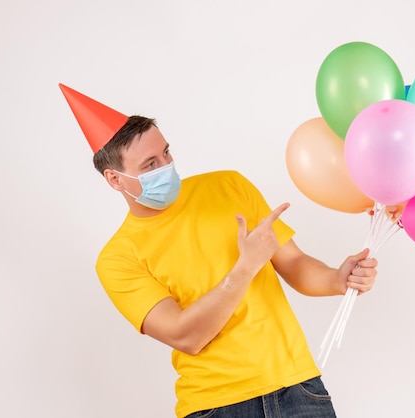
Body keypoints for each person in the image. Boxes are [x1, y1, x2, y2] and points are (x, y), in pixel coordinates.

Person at [59, 83, 378, 418]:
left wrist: (337, 279)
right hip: (216, 407)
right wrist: (245, 268)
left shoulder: (228, 185)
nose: (166, 166)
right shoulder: (118, 259)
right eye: (150, 164)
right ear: (115, 179)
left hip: (299, 389)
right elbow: (187, 336)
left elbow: (294, 263)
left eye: (166, 153)